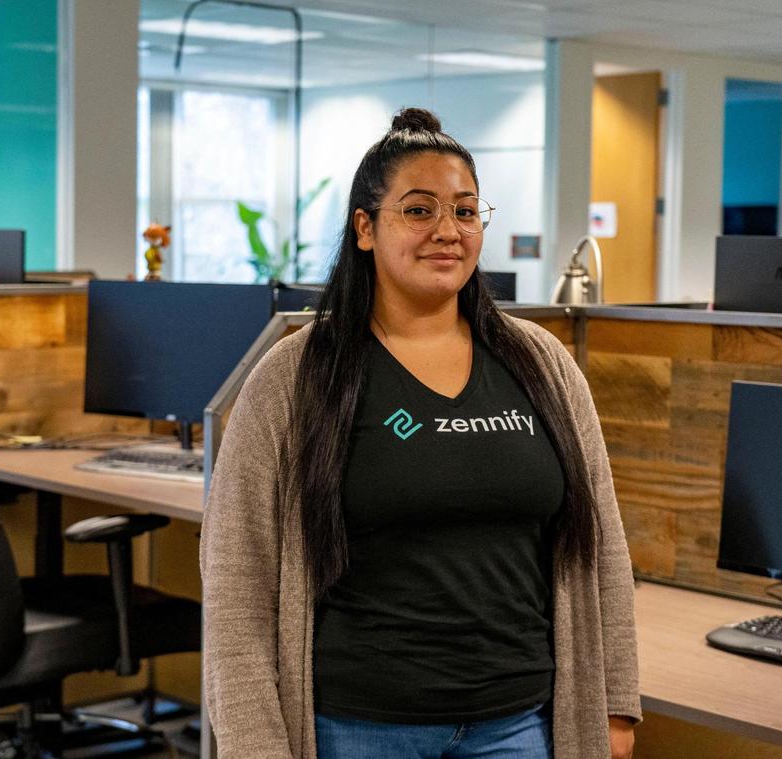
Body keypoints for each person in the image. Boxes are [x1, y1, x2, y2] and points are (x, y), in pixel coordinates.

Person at [200, 108, 639, 759]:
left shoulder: (542, 363)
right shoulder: (296, 376)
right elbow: (238, 584)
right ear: (365, 228)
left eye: (465, 211)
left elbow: (603, 546)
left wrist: (616, 705)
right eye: (418, 210)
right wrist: (254, 745)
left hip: (519, 724)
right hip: (357, 727)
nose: (447, 231)